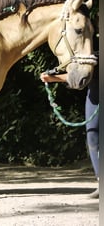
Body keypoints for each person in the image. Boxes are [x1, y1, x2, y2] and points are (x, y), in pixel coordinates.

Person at [40, 57, 99, 199]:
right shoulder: (89, 52)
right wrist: (53, 78)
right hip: (95, 97)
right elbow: (81, 78)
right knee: (92, 137)